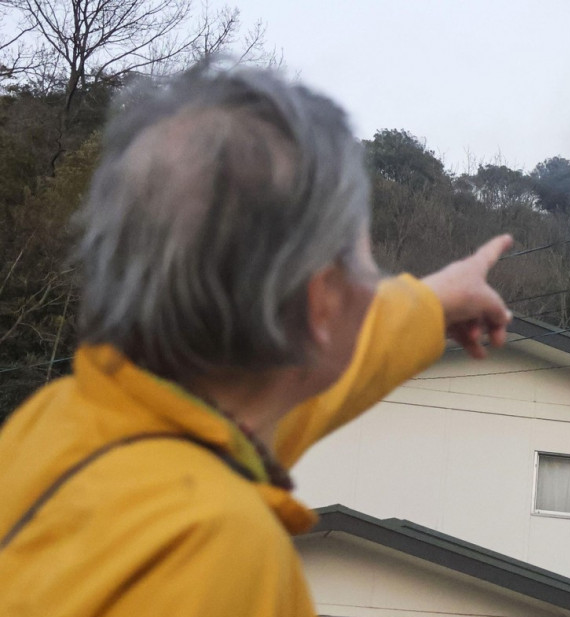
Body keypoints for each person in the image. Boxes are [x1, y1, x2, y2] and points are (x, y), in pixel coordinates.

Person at [0, 65, 512, 616]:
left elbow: (320, 371)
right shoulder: (214, 548)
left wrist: (435, 301)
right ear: (321, 300)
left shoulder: (55, 425)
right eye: (367, 261)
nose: (376, 284)